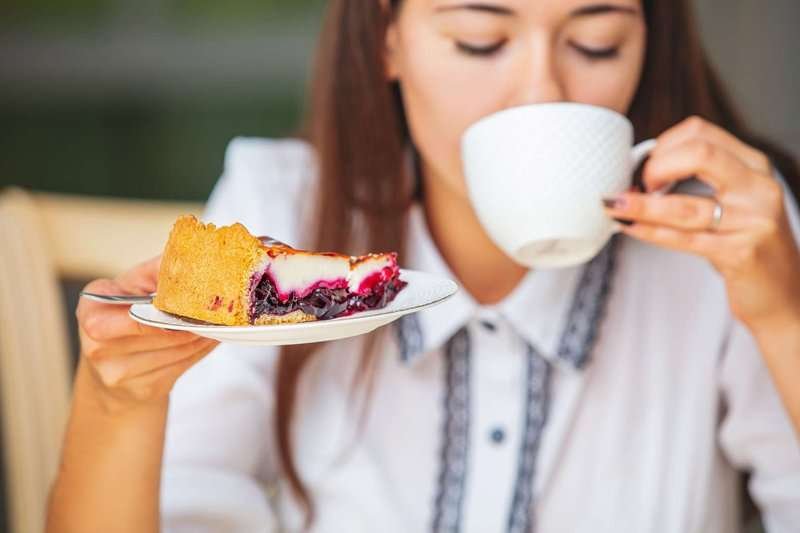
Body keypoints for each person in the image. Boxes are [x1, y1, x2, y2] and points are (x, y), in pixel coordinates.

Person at [47, 1, 800, 532]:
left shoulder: (729, 241)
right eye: (480, 40)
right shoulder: (282, 209)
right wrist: (119, 400)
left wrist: (784, 317)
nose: (542, 93)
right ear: (388, 38)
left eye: (597, 42)